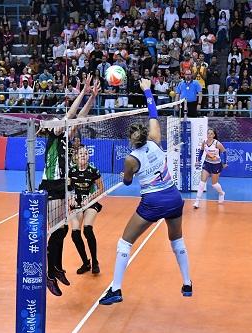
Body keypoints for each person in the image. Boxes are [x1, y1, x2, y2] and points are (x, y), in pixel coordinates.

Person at [99, 78, 191, 305]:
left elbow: (128, 183)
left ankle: (116, 289)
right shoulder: (156, 141)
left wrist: (125, 176)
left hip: (152, 202)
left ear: (132, 140)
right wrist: (147, 89)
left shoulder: (131, 159)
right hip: (174, 197)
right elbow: (153, 115)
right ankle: (187, 283)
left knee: (124, 243)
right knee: (177, 241)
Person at [40, 74, 100, 296]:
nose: (63, 123)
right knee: (56, 230)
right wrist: (82, 93)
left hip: (62, 186)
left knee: (63, 229)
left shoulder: (65, 138)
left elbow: (80, 117)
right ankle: (49, 274)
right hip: (51, 184)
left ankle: (57, 268)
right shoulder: (54, 134)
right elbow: (71, 114)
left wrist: (92, 98)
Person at [68, 146, 104, 275]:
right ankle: (85, 262)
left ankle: (95, 262)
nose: (84, 155)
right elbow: (68, 188)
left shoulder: (93, 170)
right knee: (75, 234)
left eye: (86, 153)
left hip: (90, 203)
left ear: (89, 156)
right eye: (81, 153)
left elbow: (101, 189)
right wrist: (71, 198)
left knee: (88, 229)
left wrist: (89, 198)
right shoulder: (71, 171)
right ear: (76, 156)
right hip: (76, 204)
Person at [193, 128, 227, 208]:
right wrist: (198, 160)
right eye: (208, 133)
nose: (209, 135)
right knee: (202, 183)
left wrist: (224, 163)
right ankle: (197, 202)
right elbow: (201, 151)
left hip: (216, 165)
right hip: (207, 164)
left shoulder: (217, 143)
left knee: (214, 184)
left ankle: (221, 193)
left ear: (214, 135)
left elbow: (224, 152)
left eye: (211, 134)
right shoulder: (204, 142)